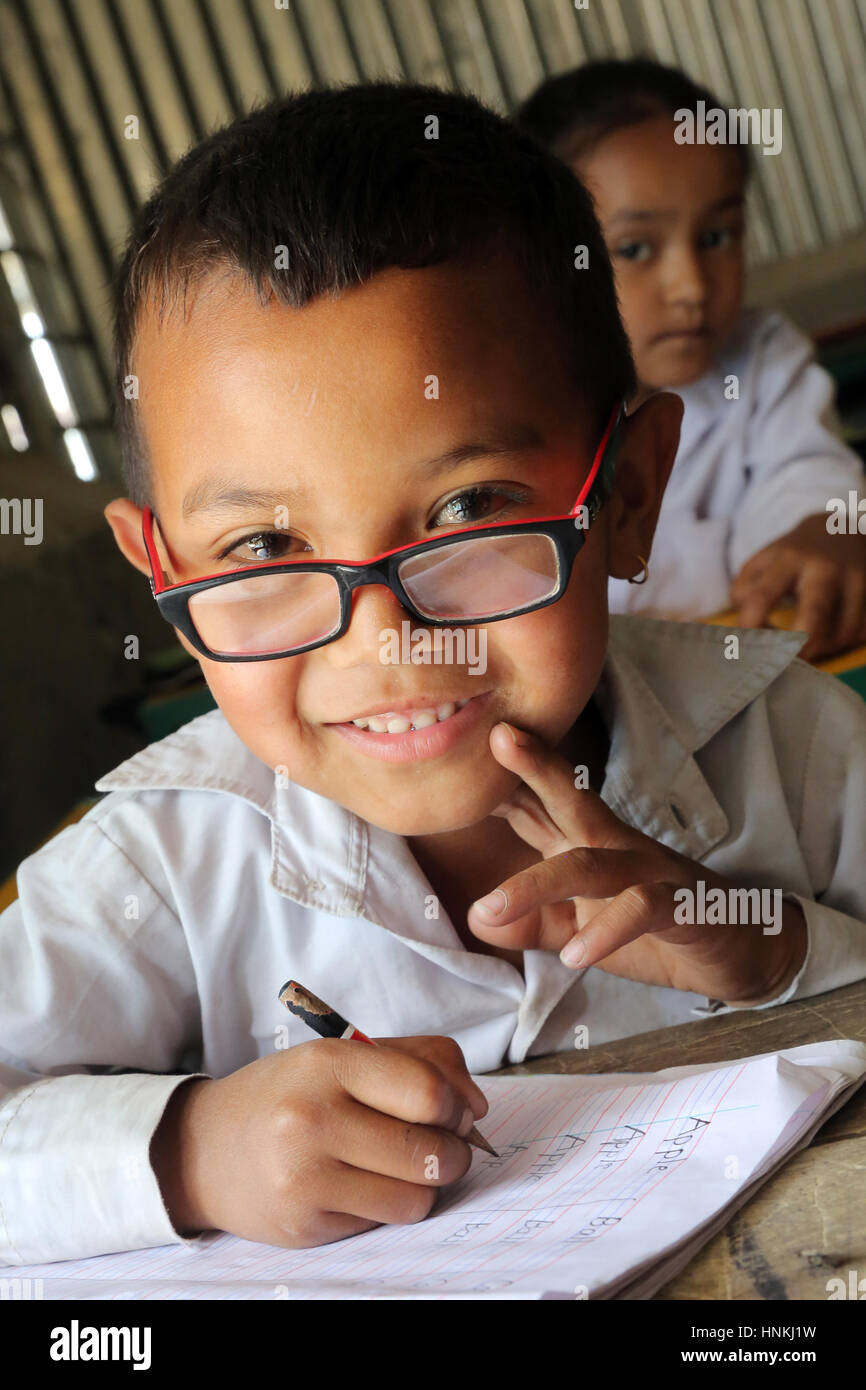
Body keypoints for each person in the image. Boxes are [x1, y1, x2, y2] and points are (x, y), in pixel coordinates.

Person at [2, 82, 865, 1269]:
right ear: (161, 575)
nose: (387, 641)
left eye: (467, 511)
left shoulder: (789, 743)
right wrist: (190, 1148)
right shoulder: (163, 862)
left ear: (624, 496)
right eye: (263, 548)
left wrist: (773, 951)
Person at [517, 59, 866, 658]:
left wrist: (820, 533)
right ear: (541, 264)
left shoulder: (760, 361)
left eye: (715, 238)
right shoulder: (505, 408)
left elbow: (806, 471)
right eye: (634, 248)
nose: (690, 288)